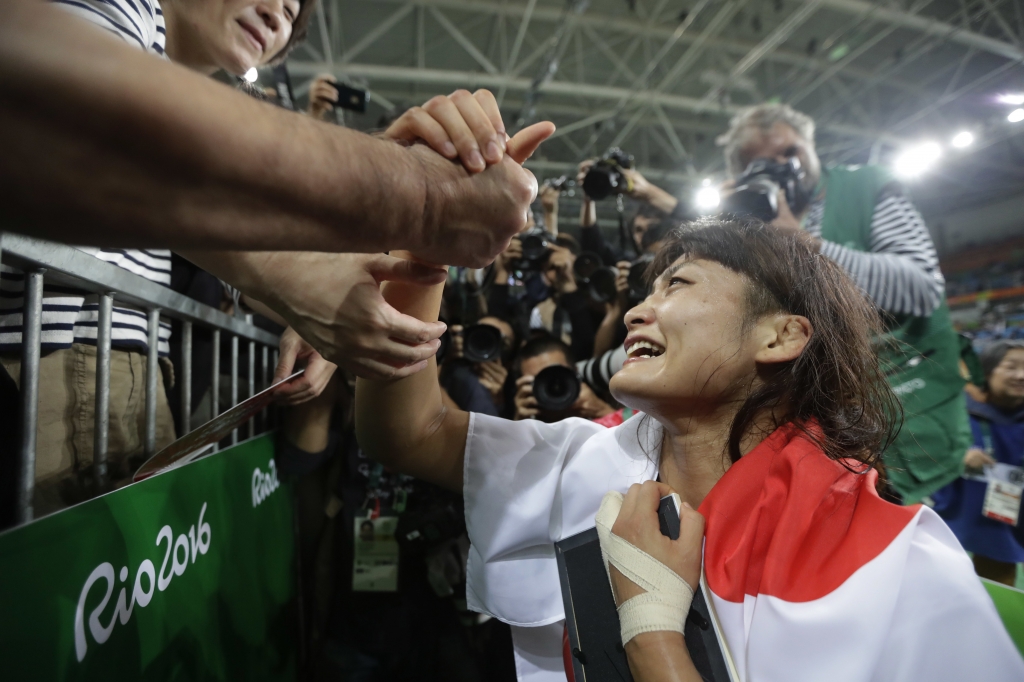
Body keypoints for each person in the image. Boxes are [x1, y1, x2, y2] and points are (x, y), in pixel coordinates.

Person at [355, 219, 1023, 681]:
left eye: (678, 285)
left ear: (781, 335)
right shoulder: (588, 461)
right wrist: (424, 255)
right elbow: (408, 432)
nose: (642, 310)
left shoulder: (903, 569)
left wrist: (650, 631)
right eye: (648, 290)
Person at [2, 0, 553, 378]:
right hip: (37, 355)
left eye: (292, 12)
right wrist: (423, 195)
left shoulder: (155, 65)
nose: (276, 13)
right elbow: (55, 125)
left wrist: (298, 278)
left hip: (132, 365)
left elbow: (145, 188)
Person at [717, 103, 969, 504]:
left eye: (790, 151)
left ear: (812, 146)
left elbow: (921, 287)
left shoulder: (865, 187)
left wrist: (804, 242)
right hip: (827, 433)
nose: (782, 166)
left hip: (912, 418)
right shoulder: (749, 225)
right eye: (759, 163)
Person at [934, 340, 1024, 586]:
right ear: (987, 370)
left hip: (1002, 527)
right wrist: (957, 460)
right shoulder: (952, 409)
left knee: (997, 595)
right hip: (950, 521)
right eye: (1011, 367)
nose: (1021, 375)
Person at [512, 335, 614, 422]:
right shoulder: (527, 426)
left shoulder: (594, 410)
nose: (553, 387)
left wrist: (603, 411)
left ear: (576, 373)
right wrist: (519, 427)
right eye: (540, 380)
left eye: (558, 375)